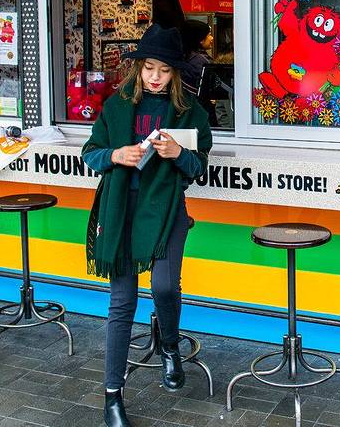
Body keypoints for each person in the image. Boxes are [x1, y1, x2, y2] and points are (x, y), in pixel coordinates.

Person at [82, 23, 212, 427]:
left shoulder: (191, 112)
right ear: (138, 68)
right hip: (121, 209)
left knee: (164, 286)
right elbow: (91, 153)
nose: (155, 76)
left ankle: (170, 347)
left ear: (175, 73)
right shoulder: (117, 107)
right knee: (122, 302)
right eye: (149, 68)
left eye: (164, 70)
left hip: (168, 208)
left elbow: (199, 168)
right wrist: (114, 156)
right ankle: (112, 396)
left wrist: (177, 153)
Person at [180, 19, 214, 94]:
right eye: (209, 35)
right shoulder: (201, 61)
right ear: (201, 39)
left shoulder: (183, 55)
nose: (212, 38)